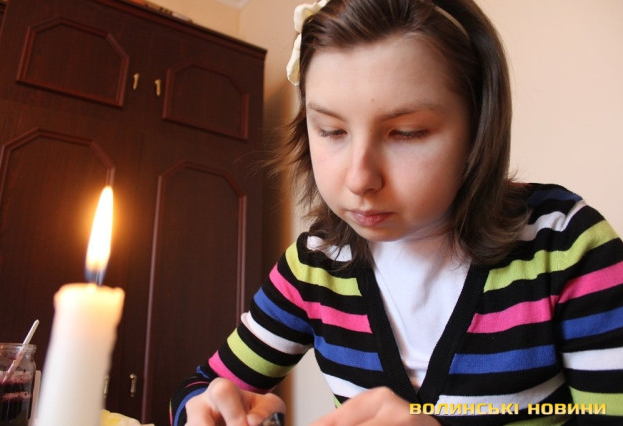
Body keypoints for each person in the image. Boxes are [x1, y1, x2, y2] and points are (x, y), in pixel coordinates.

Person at [170, 0, 623, 424]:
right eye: (330, 130)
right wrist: (212, 410)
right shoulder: (313, 267)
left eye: (406, 133)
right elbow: (197, 389)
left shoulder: (566, 246)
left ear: (479, 125)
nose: (359, 179)